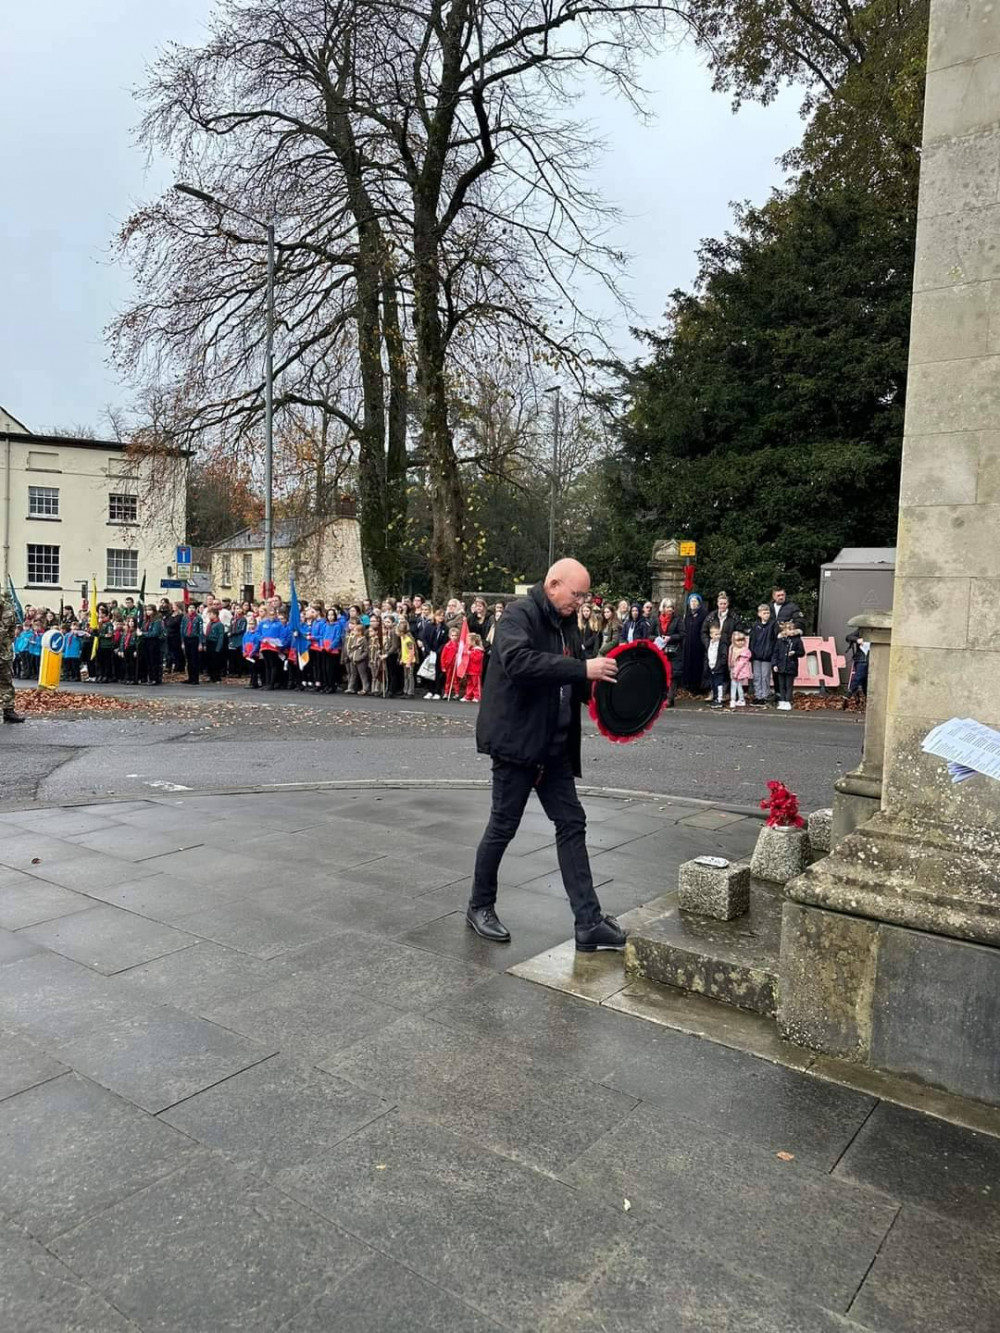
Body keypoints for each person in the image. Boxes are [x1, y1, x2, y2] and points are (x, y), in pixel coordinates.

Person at [469, 557, 627, 952]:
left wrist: (616, 692)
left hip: (553, 748)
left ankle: (588, 923)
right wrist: (581, 669)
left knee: (572, 823)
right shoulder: (517, 618)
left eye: (585, 595)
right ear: (553, 584)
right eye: (577, 594)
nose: (582, 601)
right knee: (503, 827)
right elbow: (520, 664)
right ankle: (479, 906)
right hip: (517, 746)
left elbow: (574, 679)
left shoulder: (566, 621)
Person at [0, 586, 25, 723]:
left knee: (6, 681)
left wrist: (8, 645)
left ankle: (8, 710)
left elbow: (12, 629)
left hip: (4, 652)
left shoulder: (8, 607)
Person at [654, 599, 684, 706]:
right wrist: (658, 638)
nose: (670, 609)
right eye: (667, 607)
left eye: (671, 607)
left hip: (674, 651)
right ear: (663, 608)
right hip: (660, 650)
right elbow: (649, 635)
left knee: (673, 675)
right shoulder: (656, 620)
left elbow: (682, 634)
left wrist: (670, 637)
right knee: (661, 674)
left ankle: (670, 699)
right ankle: (661, 697)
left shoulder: (678, 620)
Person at [772, 619, 804, 710]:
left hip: (791, 665)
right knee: (781, 685)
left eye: (790, 629)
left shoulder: (797, 640)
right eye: (787, 629)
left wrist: (795, 652)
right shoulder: (780, 640)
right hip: (781, 665)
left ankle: (788, 701)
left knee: (789, 685)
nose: (789, 631)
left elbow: (802, 652)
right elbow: (775, 653)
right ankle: (782, 700)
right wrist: (774, 664)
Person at [749, 604, 777, 705]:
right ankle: (758, 695)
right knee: (757, 676)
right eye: (764, 613)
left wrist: (772, 653)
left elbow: (774, 641)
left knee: (765, 676)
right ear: (759, 614)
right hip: (756, 655)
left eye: (768, 613)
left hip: (767, 656)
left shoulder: (773, 625)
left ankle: (765, 695)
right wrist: (751, 652)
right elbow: (752, 641)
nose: (766, 615)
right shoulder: (756, 626)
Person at [681, 593, 708, 695]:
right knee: (688, 663)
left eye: (695, 601)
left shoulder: (703, 614)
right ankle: (689, 685)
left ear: (699, 603)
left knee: (698, 664)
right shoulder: (687, 615)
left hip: (698, 643)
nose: (693, 603)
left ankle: (698, 687)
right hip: (688, 643)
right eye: (691, 601)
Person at [344, 621, 371, 694]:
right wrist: (350, 655)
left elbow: (366, 651)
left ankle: (365, 688)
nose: (353, 632)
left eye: (355, 631)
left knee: (362, 674)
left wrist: (360, 657)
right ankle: (351, 687)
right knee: (353, 674)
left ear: (360, 632)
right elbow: (351, 648)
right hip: (353, 659)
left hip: (360, 660)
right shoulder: (354, 639)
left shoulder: (363, 640)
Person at [728, 630, 752, 709]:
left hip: (739, 671)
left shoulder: (744, 651)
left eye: (742, 640)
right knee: (738, 686)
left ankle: (733, 700)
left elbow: (741, 664)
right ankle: (741, 699)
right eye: (738, 641)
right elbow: (730, 659)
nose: (740, 642)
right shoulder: (732, 648)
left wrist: (735, 672)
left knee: (734, 685)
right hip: (733, 669)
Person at [181, 605, 204, 685]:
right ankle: (190, 677)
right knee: (189, 659)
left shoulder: (198, 618)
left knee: (195, 659)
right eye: (190, 608)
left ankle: (195, 678)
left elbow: (201, 631)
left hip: (195, 639)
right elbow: (182, 629)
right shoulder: (185, 618)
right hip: (187, 639)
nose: (191, 609)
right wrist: (182, 642)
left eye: (193, 608)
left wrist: (200, 643)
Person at [706, 625, 727, 708]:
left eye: (719, 634)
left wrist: (720, 665)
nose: (718, 636)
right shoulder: (710, 643)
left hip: (718, 667)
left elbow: (723, 656)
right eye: (716, 634)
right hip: (711, 666)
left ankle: (719, 699)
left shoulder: (722, 644)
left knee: (719, 684)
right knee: (713, 684)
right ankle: (715, 698)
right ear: (711, 635)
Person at [463, 633, 485, 702]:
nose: (467, 642)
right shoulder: (471, 650)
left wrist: (470, 654)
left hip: (476, 671)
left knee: (476, 684)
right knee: (469, 684)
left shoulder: (478, 650)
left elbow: (476, 659)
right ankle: (468, 695)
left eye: (468, 641)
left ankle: (477, 696)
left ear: (473, 642)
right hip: (470, 670)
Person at [399, 620, 418, 698]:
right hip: (404, 659)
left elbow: (412, 652)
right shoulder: (402, 638)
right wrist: (401, 658)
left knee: (410, 676)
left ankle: (410, 692)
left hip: (409, 661)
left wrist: (409, 662)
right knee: (405, 676)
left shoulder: (408, 640)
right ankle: (405, 690)